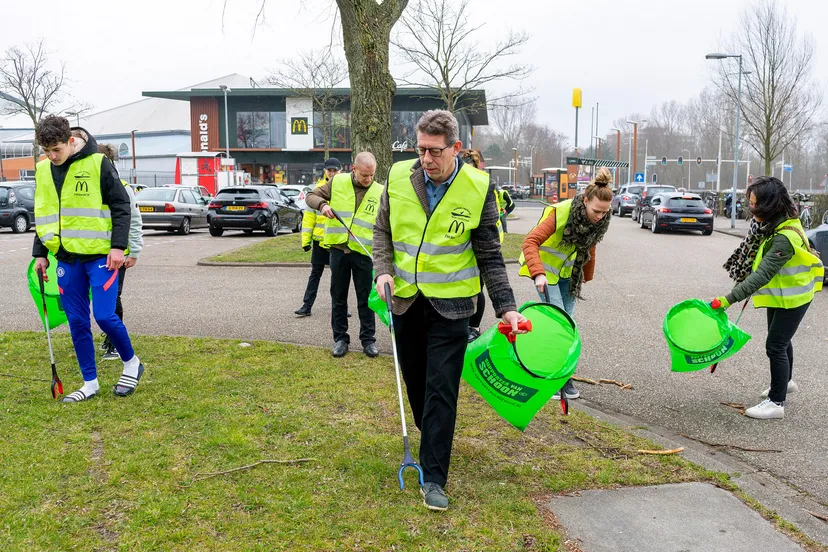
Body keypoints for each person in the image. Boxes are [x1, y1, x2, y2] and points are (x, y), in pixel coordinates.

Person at [374, 110, 527, 511]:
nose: (426, 158)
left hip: (454, 308)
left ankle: (434, 477)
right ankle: (433, 435)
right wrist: (382, 272)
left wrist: (506, 308)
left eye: (435, 151)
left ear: (456, 148)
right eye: (421, 149)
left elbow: (491, 256)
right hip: (405, 302)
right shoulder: (396, 177)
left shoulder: (478, 187)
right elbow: (382, 233)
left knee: (442, 389)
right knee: (417, 384)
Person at [32, 116, 145, 402]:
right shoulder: (43, 169)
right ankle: (89, 382)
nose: (52, 156)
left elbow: (122, 205)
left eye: (56, 149)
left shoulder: (97, 163)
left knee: (105, 316)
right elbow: (46, 214)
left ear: (70, 141)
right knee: (77, 321)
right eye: (46, 151)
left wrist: (119, 247)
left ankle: (131, 362)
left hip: (100, 255)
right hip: (66, 259)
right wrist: (40, 254)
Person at [715, 176, 823, 420]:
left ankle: (776, 402)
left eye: (754, 204)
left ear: (769, 205)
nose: (750, 208)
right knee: (782, 342)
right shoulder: (776, 225)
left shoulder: (784, 237)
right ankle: (786, 382)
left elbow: (762, 275)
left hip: (793, 298)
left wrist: (727, 299)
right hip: (785, 294)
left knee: (775, 345)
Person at [519, 167, 613, 401]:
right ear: (585, 200)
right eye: (596, 211)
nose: (600, 216)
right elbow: (530, 242)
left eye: (605, 212)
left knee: (567, 324)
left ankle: (558, 372)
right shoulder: (560, 213)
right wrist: (538, 273)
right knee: (559, 322)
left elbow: (590, 244)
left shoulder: (600, 218)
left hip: (569, 276)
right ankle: (555, 377)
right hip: (545, 272)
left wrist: (586, 276)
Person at [306, 152, 383, 358]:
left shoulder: (380, 191)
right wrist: (323, 205)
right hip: (339, 252)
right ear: (354, 169)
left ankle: (368, 340)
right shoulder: (337, 182)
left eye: (371, 175)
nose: (368, 179)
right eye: (364, 175)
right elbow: (310, 196)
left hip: (363, 254)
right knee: (338, 297)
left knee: (366, 299)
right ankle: (340, 339)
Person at [459, 149, 500, 342]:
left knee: (477, 287)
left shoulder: (484, 188)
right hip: (462, 245)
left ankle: (473, 327)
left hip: (484, 242)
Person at [294, 157, 341, 317]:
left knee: (339, 279)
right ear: (325, 171)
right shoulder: (317, 190)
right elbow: (309, 218)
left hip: (337, 242)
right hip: (320, 242)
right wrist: (305, 240)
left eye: (335, 170)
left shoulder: (344, 189)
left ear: (340, 171)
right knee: (315, 275)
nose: (332, 173)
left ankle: (342, 308)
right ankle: (307, 306)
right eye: (330, 170)